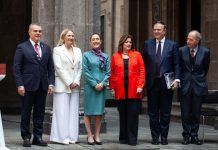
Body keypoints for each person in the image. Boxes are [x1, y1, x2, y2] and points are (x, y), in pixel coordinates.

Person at [13, 23, 55, 147]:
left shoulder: (46, 48)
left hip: (42, 86)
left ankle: (38, 137)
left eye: (40, 31)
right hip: (27, 86)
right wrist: (20, 84)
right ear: (29, 32)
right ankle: (26, 137)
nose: (38, 33)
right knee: (26, 112)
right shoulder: (22, 47)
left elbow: (51, 68)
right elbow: (16, 67)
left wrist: (51, 84)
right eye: (35, 31)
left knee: (40, 113)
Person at [142, 21, 180, 145]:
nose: (156, 32)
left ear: (164, 31)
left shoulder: (172, 45)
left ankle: (164, 137)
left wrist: (177, 79)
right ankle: (155, 137)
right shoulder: (148, 44)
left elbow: (176, 64)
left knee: (165, 112)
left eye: (159, 30)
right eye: (155, 29)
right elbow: (143, 64)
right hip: (152, 83)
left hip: (166, 83)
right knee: (152, 112)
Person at [109, 34, 145, 146]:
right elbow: (112, 73)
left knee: (133, 114)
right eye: (126, 42)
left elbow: (142, 71)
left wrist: (140, 85)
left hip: (134, 89)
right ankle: (123, 138)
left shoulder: (137, 55)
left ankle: (132, 139)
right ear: (122, 44)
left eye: (130, 42)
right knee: (122, 114)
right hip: (120, 89)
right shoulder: (115, 56)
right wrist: (112, 88)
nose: (128, 44)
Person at [50, 29, 82, 145]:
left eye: (73, 36)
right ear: (63, 37)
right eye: (69, 35)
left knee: (73, 112)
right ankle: (61, 137)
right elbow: (58, 68)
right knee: (61, 112)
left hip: (75, 87)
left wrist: (76, 81)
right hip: (62, 86)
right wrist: (69, 82)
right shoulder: (57, 50)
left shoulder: (78, 50)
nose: (71, 37)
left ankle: (73, 137)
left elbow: (80, 68)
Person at [179, 30, 210, 145]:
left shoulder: (205, 52)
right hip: (185, 85)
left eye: (190, 39)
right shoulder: (181, 51)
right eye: (187, 39)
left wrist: (199, 79)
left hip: (198, 85)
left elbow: (205, 68)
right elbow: (179, 67)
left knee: (196, 113)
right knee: (185, 113)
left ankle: (194, 135)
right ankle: (186, 135)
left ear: (197, 40)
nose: (188, 41)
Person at [82, 33, 110, 145]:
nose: (95, 41)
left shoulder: (106, 56)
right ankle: (89, 135)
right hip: (90, 87)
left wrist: (102, 83)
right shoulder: (86, 55)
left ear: (101, 41)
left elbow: (108, 72)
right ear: (90, 42)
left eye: (97, 39)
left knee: (99, 112)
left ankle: (97, 135)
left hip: (101, 87)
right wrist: (94, 84)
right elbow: (85, 71)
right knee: (88, 112)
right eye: (93, 39)